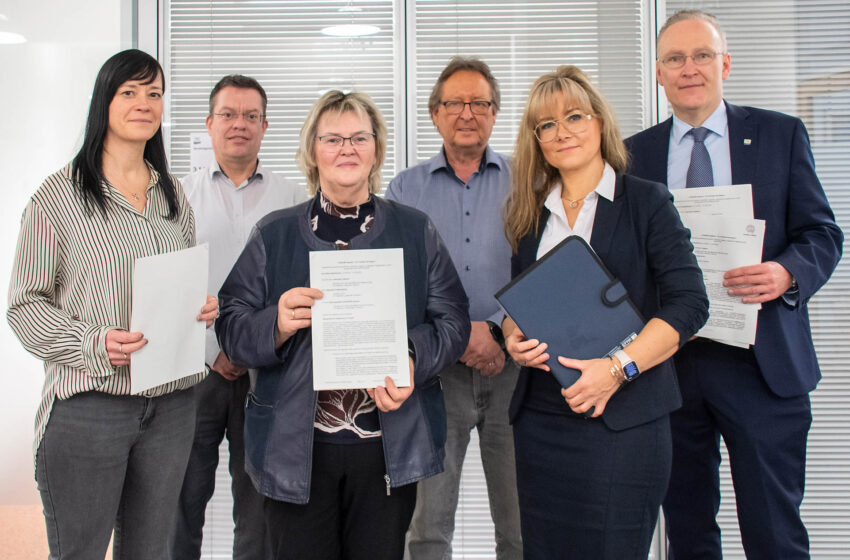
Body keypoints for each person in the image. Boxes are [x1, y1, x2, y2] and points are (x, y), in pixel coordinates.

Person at [625, 10, 843, 559]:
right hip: (673, 366)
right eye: (675, 58)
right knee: (689, 532)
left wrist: (786, 271)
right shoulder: (633, 156)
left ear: (725, 64)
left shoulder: (779, 134)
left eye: (701, 55)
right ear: (658, 73)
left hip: (761, 363)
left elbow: (822, 233)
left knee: (775, 531)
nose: (689, 68)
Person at [215, 90, 470, 560]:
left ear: (376, 149)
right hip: (297, 451)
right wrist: (277, 324)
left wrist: (410, 357)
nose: (347, 149)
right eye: (333, 139)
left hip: (387, 448)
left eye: (359, 137)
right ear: (313, 150)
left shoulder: (416, 230)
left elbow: (453, 323)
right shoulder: (274, 233)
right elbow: (230, 327)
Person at [6, 49, 218, 559]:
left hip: (171, 407)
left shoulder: (172, 197)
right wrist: (93, 343)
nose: (144, 103)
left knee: (148, 553)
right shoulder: (57, 198)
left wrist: (199, 307)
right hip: (90, 408)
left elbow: (177, 286)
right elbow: (23, 306)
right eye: (130, 92)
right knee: (80, 551)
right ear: (105, 101)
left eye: (155, 93)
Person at [502, 65, 708, 559]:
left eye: (573, 116)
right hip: (542, 421)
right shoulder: (529, 214)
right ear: (537, 140)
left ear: (599, 123)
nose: (562, 132)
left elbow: (690, 304)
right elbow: (519, 301)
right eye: (546, 124)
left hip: (624, 421)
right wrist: (512, 336)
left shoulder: (646, 202)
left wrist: (618, 369)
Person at [385, 56, 522, 560]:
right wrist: (464, 336)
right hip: (437, 373)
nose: (467, 113)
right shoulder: (404, 190)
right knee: (427, 525)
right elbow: (398, 282)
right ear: (434, 113)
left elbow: (544, 266)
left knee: (519, 521)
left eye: (480, 103)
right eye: (454, 103)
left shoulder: (528, 180)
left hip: (516, 368)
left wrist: (501, 331)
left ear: (495, 113)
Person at [171, 75, 306, 560]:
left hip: (267, 374)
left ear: (265, 126)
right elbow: (167, 286)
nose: (239, 125)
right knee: (181, 504)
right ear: (209, 124)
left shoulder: (294, 200)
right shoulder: (174, 196)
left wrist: (245, 345)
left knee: (258, 511)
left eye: (251, 116)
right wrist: (216, 351)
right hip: (194, 374)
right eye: (228, 114)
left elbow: (298, 281)